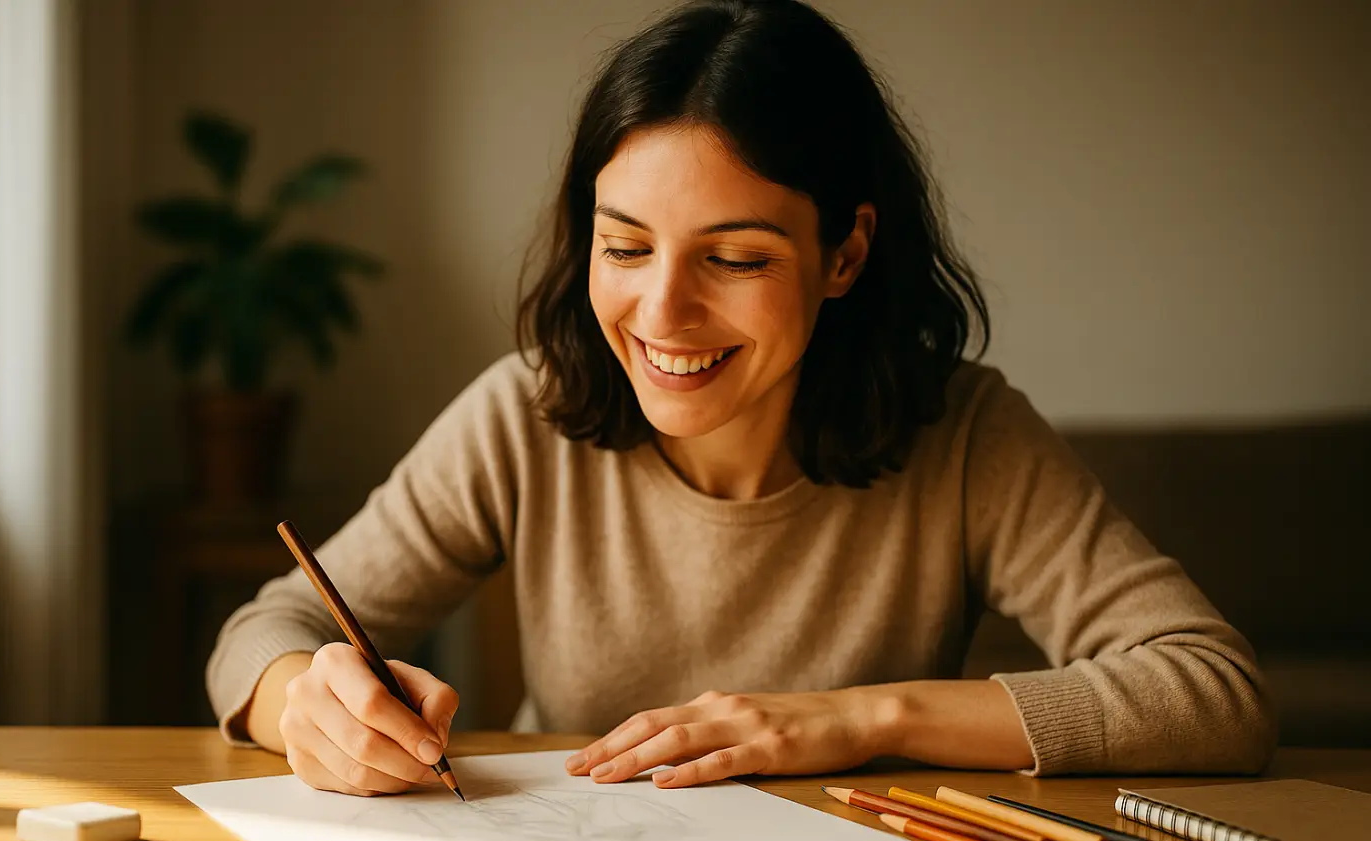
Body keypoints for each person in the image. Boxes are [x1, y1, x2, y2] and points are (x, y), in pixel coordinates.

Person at [206, 0, 1275, 797]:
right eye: (624, 245)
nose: (661, 312)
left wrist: (854, 720)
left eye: (734, 259)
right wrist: (306, 699)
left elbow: (1210, 691)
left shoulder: (964, 433)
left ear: (844, 253)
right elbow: (268, 625)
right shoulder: (522, 415)